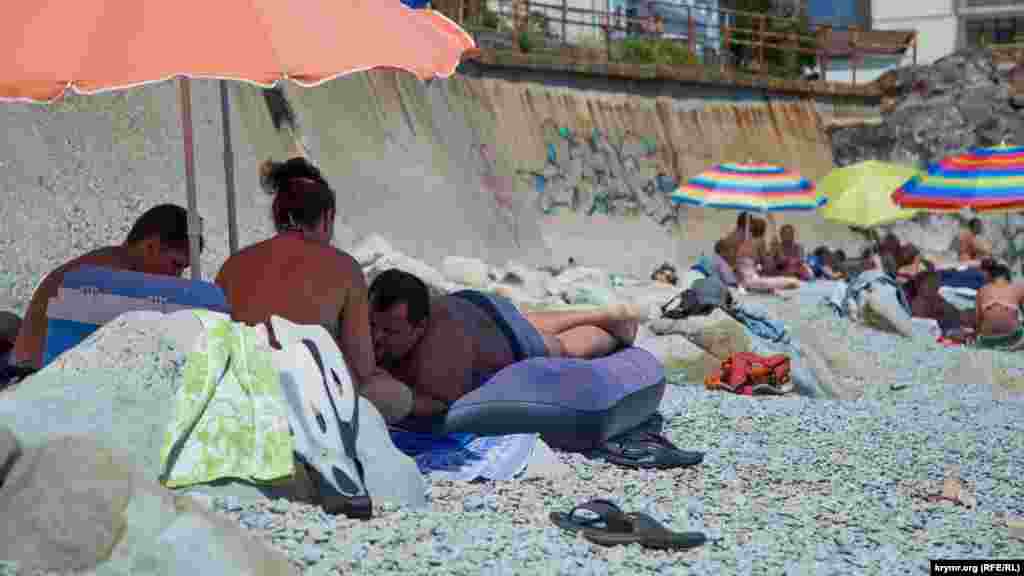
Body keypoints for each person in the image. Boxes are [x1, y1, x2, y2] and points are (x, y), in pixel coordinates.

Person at [215, 158, 412, 423]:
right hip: (312, 409)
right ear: (327, 218)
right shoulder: (345, 268)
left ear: (277, 216)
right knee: (397, 395)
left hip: (247, 398)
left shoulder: (233, 265)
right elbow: (362, 367)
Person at [367, 268, 645, 421]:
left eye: (390, 331)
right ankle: (601, 313)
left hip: (503, 336)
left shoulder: (440, 348)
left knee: (558, 347)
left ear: (420, 327)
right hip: (474, 306)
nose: (377, 337)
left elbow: (443, 406)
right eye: (371, 325)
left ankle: (611, 331)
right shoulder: (370, 322)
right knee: (524, 321)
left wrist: (399, 401)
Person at [11, 204, 201, 370]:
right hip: (33, 376)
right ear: (150, 247)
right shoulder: (114, 279)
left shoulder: (107, 263)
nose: (177, 277)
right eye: (176, 265)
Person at [734, 216, 800, 293]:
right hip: (751, 281)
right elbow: (767, 266)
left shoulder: (745, 242)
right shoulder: (760, 242)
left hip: (742, 280)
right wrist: (774, 251)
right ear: (763, 230)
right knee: (794, 282)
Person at [905, 270, 973, 336]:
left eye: (936, 284)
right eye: (931, 284)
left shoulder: (934, 297)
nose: (935, 287)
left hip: (953, 321)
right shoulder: (919, 304)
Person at [974, 262, 1024, 350]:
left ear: (990, 278)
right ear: (1008, 277)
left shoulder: (982, 290)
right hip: (1013, 338)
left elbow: (978, 320)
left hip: (986, 339)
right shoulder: (1018, 288)